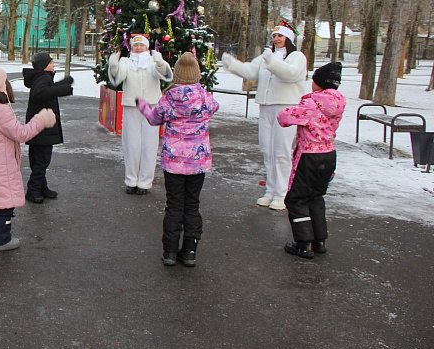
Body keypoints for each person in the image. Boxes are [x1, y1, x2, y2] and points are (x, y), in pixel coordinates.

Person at [136, 52, 219, 267]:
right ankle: (190, 251)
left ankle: (170, 252)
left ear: (177, 74)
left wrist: (142, 105)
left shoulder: (169, 98)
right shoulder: (205, 97)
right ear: (196, 74)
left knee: (173, 205)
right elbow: (215, 107)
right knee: (192, 205)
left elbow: (154, 119)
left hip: (173, 162)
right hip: (198, 163)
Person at [221, 20, 308, 210]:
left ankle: (281, 193)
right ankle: (270, 190)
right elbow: (251, 71)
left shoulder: (297, 57)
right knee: (267, 150)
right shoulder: (267, 56)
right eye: (274, 36)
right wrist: (232, 64)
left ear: (288, 38)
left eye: (280, 36)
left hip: (286, 108)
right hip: (266, 107)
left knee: (281, 151)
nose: (276, 39)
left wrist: (272, 62)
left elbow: (291, 75)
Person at [0, 64, 56, 251]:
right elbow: (21, 134)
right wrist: (41, 120)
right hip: (0, 165)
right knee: (4, 205)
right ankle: (0, 240)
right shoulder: (1, 111)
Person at [277, 62, 345, 258]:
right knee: (315, 197)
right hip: (329, 154)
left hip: (309, 156)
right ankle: (319, 240)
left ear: (319, 82)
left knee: (296, 199)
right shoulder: (338, 103)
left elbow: (284, 117)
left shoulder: (312, 104)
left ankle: (303, 243)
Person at [108, 34, 173, 195]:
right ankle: (131, 180)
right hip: (132, 105)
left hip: (151, 106)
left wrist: (160, 63)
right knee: (131, 144)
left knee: (149, 145)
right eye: (135, 45)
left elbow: (166, 76)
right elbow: (117, 79)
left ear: (147, 46)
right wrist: (114, 65)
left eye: (141, 45)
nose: (138, 48)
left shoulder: (152, 60)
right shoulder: (126, 62)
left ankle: (145, 182)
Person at [23, 52, 74, 204]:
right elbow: (39, 94)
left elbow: (46, 90)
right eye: (51, 63)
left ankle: (41, 187)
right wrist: (64, 89)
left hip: (39, 127)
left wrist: (62, 84)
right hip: (42, 128)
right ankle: (33, 190)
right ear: (44, 66)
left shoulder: (42, 77)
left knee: (38, 160)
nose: (53, 65)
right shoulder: (43, 78)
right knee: (42, 161)